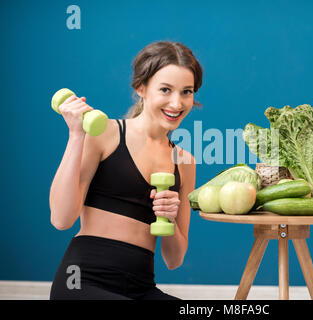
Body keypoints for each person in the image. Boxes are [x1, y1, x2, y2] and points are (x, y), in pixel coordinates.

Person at [49, 41, 202, 300]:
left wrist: (170, 217)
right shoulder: (104, 134)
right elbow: (61, 220)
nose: (177, 103)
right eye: (165, 89)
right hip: (83, 281)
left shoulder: (184, 162)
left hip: (141, 287)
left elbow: (174, 259)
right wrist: (76, 135)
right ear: (141, 88)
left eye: (186, 92)